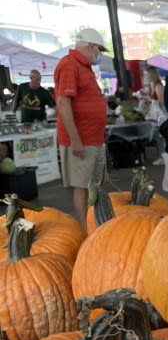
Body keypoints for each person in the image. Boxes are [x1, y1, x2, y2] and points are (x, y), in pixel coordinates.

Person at [53, 28, 109, 229]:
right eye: (99, 50)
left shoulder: (83, 67)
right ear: (91, 46)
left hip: (92, 138)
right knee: (82, 186)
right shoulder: (69, 64)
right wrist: (75, 138)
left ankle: (95, 224)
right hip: (81, 139)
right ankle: (87, 229)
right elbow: (63, 101)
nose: (99, 54)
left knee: (92, 185)